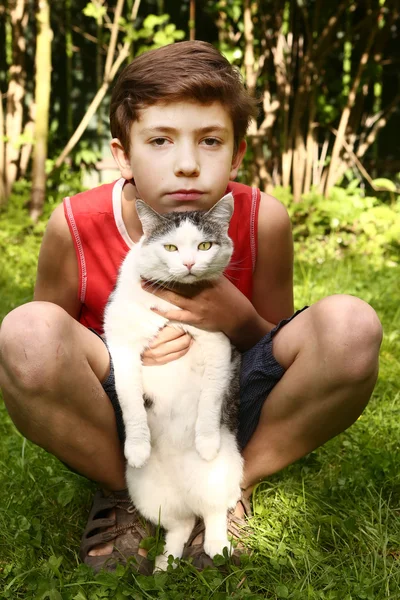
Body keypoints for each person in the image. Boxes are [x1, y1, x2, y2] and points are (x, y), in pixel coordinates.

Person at [0, 41, 382, 573]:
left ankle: (229, 488)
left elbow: (275, 353)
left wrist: (237, 318)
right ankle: (123, 494)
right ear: (122, 154)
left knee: (351, 327)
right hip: (125, 405)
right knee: (23, 333)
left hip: (220, 400)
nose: (186, 164)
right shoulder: (75, 224)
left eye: (209, 141)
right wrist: (125, 352)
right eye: (159, 140)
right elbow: (46, 358)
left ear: (238, 153)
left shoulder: (260, 220)